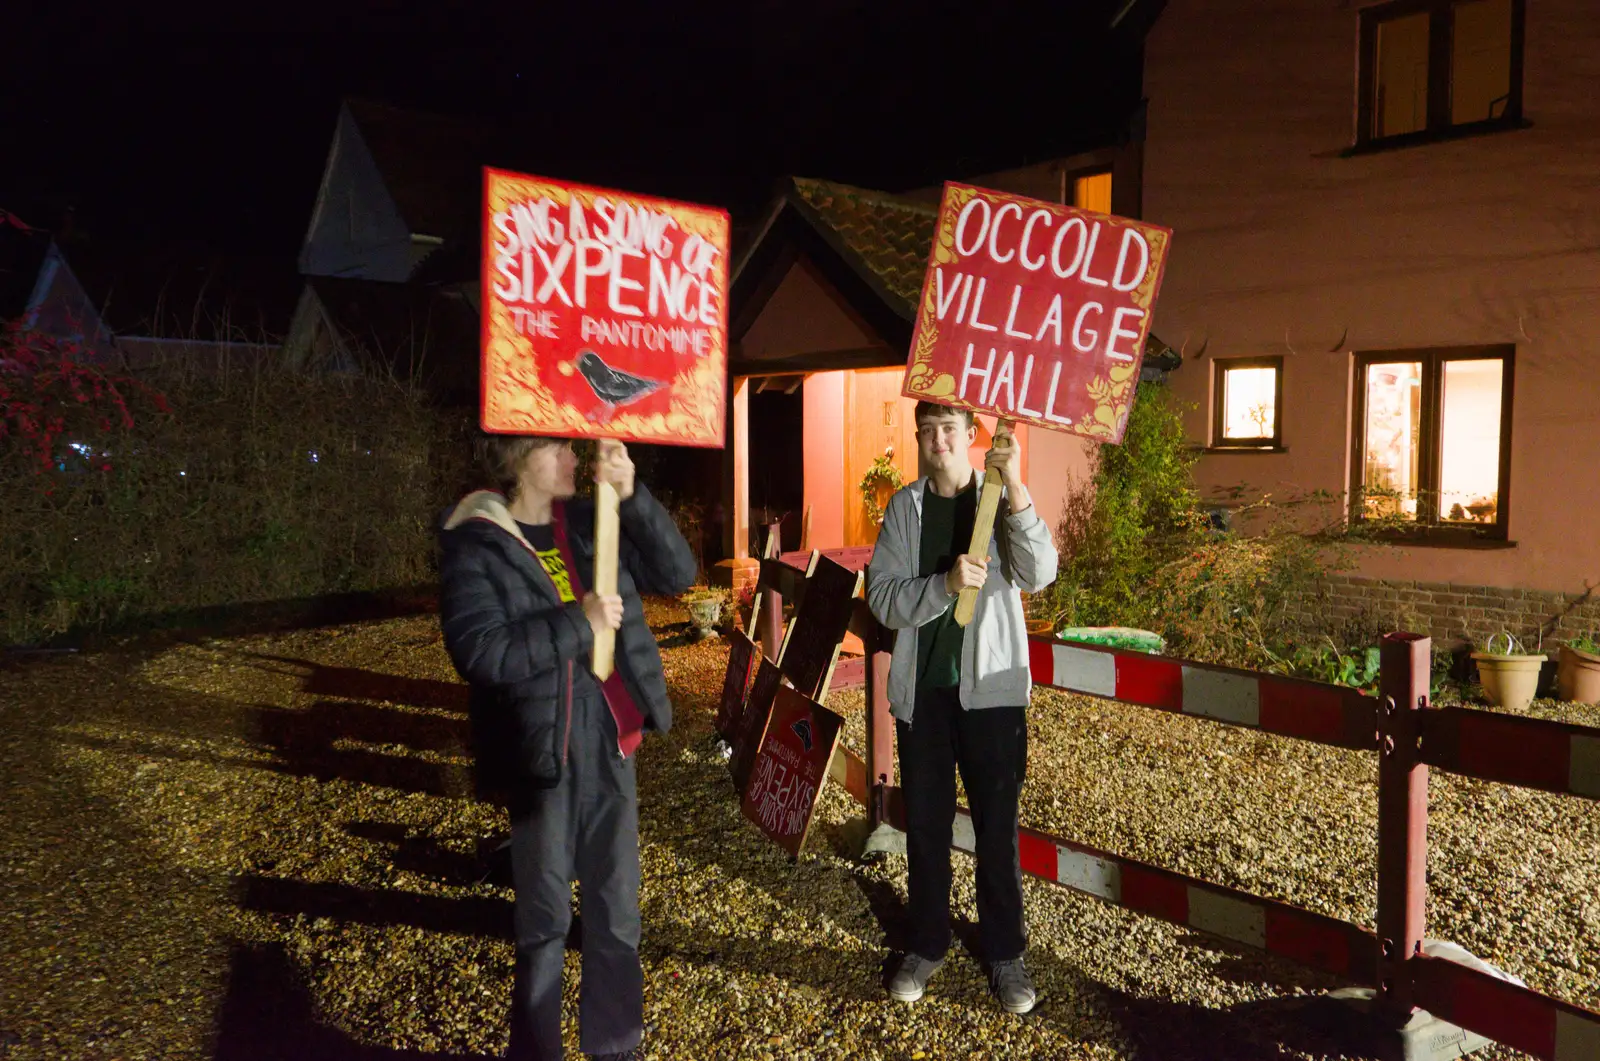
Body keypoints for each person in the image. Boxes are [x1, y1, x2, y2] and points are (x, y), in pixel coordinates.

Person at [437, 434, 695, 1061]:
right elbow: (482, 651)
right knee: (545, 918)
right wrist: (579, 622)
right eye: (558, 447)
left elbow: (679, 574)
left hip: (612, 739)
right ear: (520, 459)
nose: (576, 459)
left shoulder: (589, 519)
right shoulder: (478, 542)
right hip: (542, 754)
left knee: (616, 911)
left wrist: (631, 499)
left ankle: (614, 1046)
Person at [865, 402, 1059, 1014]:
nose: (937, 440)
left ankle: (1005, 953)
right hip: (923, 696)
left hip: (992, 695)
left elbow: (1039, 572)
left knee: (996, 830)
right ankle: (926, 943)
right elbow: (883, 600)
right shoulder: (905, 508)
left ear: (971, 435)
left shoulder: (1000, 499)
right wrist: (943, 587)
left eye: (949, 428)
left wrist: (1020, 490)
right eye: (927, 430)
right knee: (924, 828)